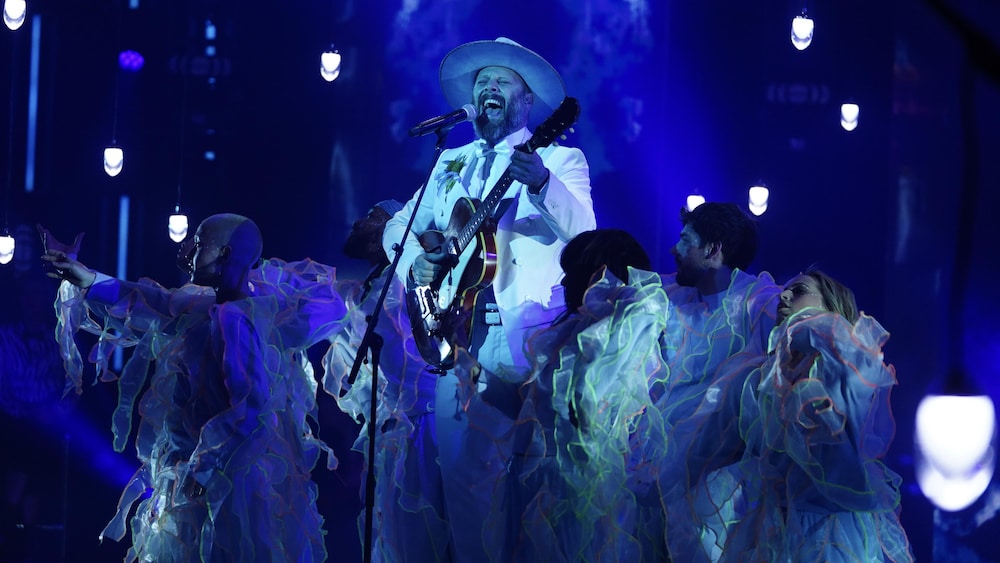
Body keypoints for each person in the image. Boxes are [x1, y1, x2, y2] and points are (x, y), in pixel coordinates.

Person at [382, 37, 595, 561]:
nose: (488, 89)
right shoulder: (450, 161)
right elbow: (396, 230)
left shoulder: (560, 156)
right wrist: (419, 266)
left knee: (543, 493)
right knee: (466, 493)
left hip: (538, 347)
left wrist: (543, 183)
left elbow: (587, 233)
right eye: (481, 83)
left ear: (526, 101)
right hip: (460, 346)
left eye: (501, 82)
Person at [41, 214, 347, 562]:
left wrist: (204, 466)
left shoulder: (236, 319)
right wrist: (87, 277)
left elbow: (250, 405)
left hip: (221, 484)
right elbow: (148, 300)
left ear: (224, 253)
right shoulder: (211, 309)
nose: (189, 253)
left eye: (200, 244)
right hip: (198, 475)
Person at [470, 228, 665, 562]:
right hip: (533, 477)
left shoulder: (628, 328)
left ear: (598, 274)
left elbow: (587, 408)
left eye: (572, 273)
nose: (563, 283)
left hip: (574, 485)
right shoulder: (568, 333)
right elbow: (528, 406)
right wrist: (470, 369)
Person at [721, 269, 913, 561]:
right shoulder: (765, 378)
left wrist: (801, 325)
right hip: (771, 535)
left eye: (798, 291)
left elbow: (835, 339)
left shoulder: (851, 366)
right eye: (784, 290)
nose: (782, 296)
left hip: (830, 539)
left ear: (830, 307)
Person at [649, 202, 782, 561]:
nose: (674, 250)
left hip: (721, 492)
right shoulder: (670, 299)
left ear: (712, 250)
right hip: (657, 469)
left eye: (685, 241)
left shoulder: (758, 304)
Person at [322, 200, 449, 562]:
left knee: (421, 526)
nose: (360, 219)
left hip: (421, 422)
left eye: (374, 214)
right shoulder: (370, 283)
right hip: (391, 426)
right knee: (390, 527)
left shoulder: (409, 277)